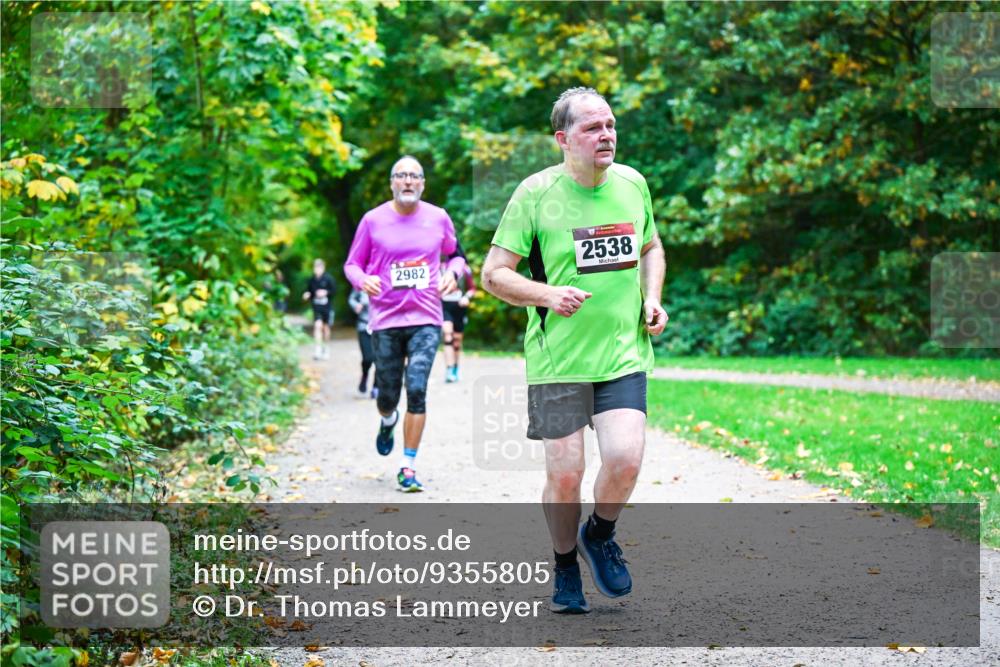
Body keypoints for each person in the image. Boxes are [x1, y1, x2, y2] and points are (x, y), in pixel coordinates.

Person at [481, 87, 668, 613]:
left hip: (621, 354)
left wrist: (652, 298)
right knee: (565, 474)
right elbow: (493, 275)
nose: (605, 135)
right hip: (557, 361)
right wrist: (548, 295)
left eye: (609, 125)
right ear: (563, 139)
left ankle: (600, 534)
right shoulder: (536, 194)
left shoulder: (632, 184)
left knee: (626, 459)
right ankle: (565, 565)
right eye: (592, 128)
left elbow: (651, 245)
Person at [344, 155, 465, 492]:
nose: (408, 181)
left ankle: (407, 465)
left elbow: (457, 256)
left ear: (423, 184)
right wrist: (361, 281)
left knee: (416, 388)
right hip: (384, 319)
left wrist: (453, 274)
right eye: (402, 175)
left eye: (415, 176)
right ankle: (387, 419)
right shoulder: (372, 220)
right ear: (392, 182)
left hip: (426, 317)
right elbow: (352, 264)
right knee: (387, 393)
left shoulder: (438, 218)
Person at [441, 252, 476, 383]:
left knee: (457, 341)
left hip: (459, 306)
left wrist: (466, 297)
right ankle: (449, 369)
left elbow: (472, 288)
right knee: (447, 335)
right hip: (445, 305)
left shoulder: (465, 269)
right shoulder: (439, 267)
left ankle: (455, 367)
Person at [303, 259, 336, 360]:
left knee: (325, 328)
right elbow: (309, 291)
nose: (317, 269)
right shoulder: (312, 280)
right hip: (316, 307)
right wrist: (307, 294)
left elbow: (334, 291)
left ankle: (326, 348)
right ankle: (317, 349)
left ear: (323, 267)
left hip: (327, 307)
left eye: (319, 267)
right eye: (315, 267)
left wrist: (326, 293)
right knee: (317, 326)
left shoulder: (329, 279)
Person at [348, 288, 377, 399]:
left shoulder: (384, 278)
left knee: (380, 359)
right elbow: (351, 298)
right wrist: (356, 305)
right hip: (363, 326)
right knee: (367, 358)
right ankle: (365, 376)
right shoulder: (361, 281)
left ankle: (376, 387)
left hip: (380, 327)